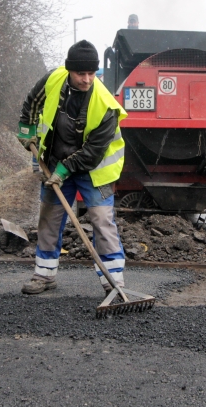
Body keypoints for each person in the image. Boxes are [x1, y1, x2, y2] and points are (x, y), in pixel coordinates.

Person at [16, 40, 128, 295]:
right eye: (81, 73)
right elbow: (32, 102)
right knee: (50, 217)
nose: (87, 79)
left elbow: (91, 154)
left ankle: (115, 283)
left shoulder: (106, 105)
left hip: (94, 170)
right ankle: (44, 275)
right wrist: (27, 130)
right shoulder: (53, 79)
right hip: (56, 159)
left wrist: (64, 171)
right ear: (69, 70)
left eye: (92, 73)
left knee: (101, 220)